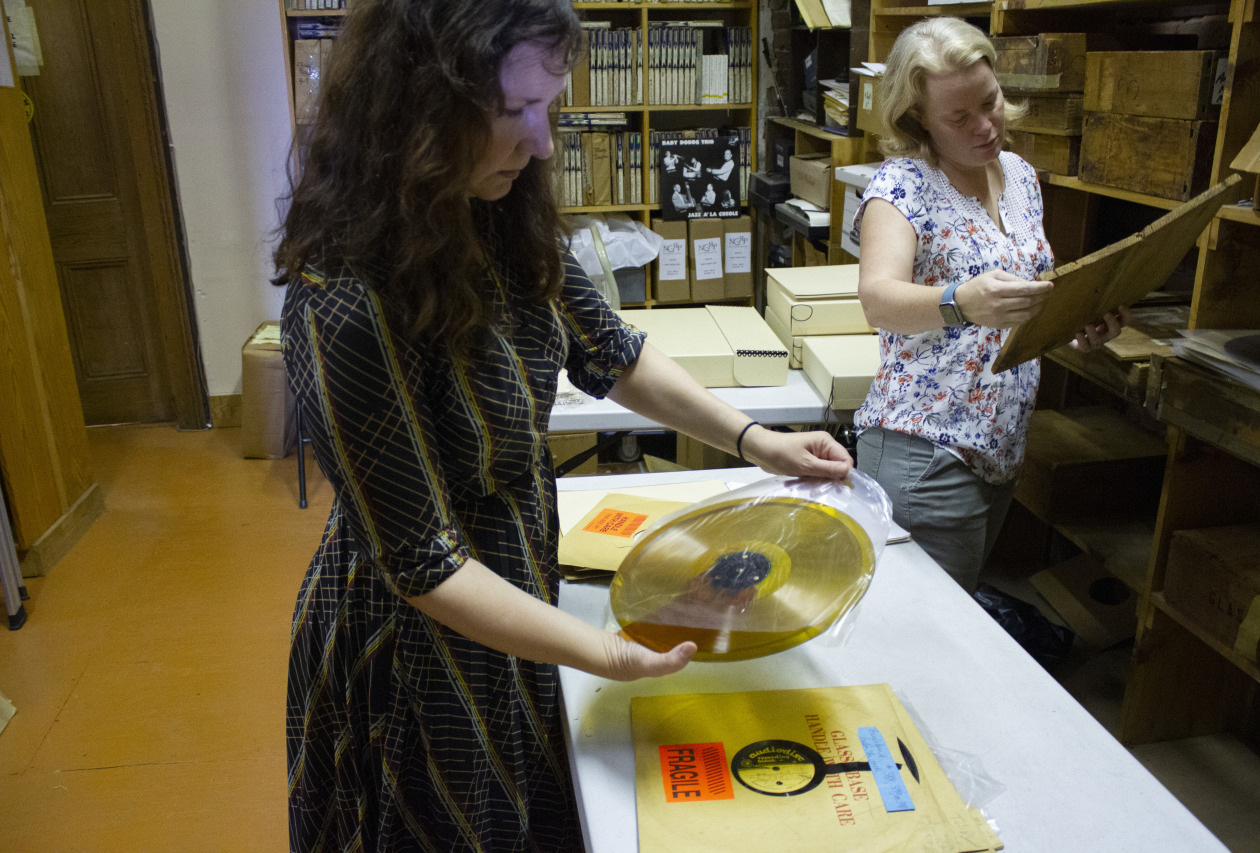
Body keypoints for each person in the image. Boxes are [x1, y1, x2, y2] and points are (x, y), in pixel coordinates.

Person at [271, 1, 853, 850]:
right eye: (513, 112)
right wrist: (605, 653)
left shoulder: (496, 211)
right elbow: (424, 563)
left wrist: (754, 439)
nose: (541, 143)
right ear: (418, 112)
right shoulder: (344, 297)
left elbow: (611, 350)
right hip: (417, 649)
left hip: (513, 590)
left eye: (551, 108)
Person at [849, 17, 1126, 592]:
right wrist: (960, 302)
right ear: (916, 117)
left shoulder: (1020, 178)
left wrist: (1073, 323)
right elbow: (878, 299)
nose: (985, 125)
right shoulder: (901, 186)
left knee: (953, 623)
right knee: (922, 641)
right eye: (959, 116)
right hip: (924, 454)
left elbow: (1025, 301)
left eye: (990, 101)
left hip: (1000, 450)